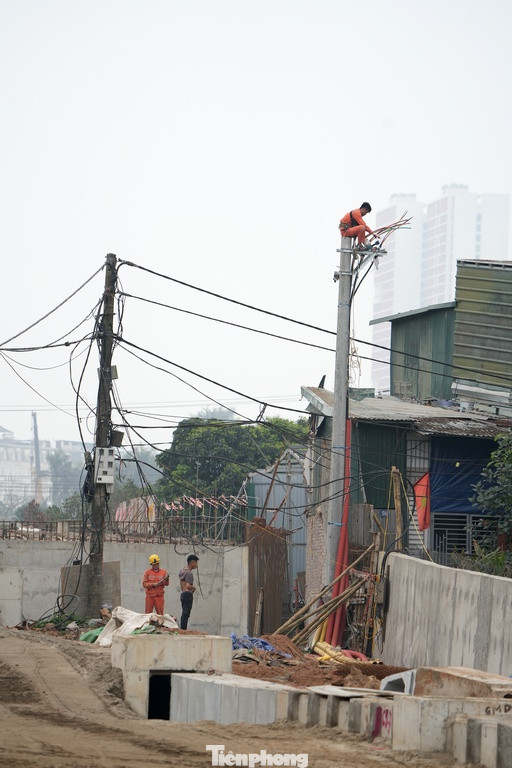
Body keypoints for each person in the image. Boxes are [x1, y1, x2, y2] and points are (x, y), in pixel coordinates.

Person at [179, 554, 199, 630]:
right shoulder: (189, 573)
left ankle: (182, 628)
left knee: (184, 612)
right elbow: (188, 586)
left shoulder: (182, 571)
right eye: (196, 563)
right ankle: (183, 629)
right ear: (192, 562)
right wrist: (194, 588)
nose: (196, 565)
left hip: (183, 594)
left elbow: (182, 585)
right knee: (186, 613)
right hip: (187, 594)